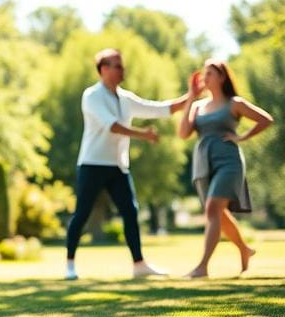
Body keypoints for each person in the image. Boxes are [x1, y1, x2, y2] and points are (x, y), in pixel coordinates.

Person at [65, 48, 191, 281]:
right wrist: (144, 135)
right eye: (117, 65)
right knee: (82, 213)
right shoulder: (91, 96)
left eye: (122, 65)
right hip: (92, 164)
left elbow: (160, 109)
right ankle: (70, 265)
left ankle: (139, 264)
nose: (122, 70)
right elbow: (111, 125)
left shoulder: (126, 98)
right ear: (104, 69)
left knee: (130, 212)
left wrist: (191, 96)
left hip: (118, 166)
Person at [179, 59, 273, 278]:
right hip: (204, 163)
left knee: (212, 209)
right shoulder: (197, 106)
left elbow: (265, 120)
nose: (206, 77)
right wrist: (191, 96)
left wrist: (242, 137)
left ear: (222, 77)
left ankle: (202, 266)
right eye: (205, 73)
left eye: (210, 73)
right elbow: (183, 133)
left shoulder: (234, 103)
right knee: (217, 212)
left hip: (229, 162)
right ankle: (244, 249)